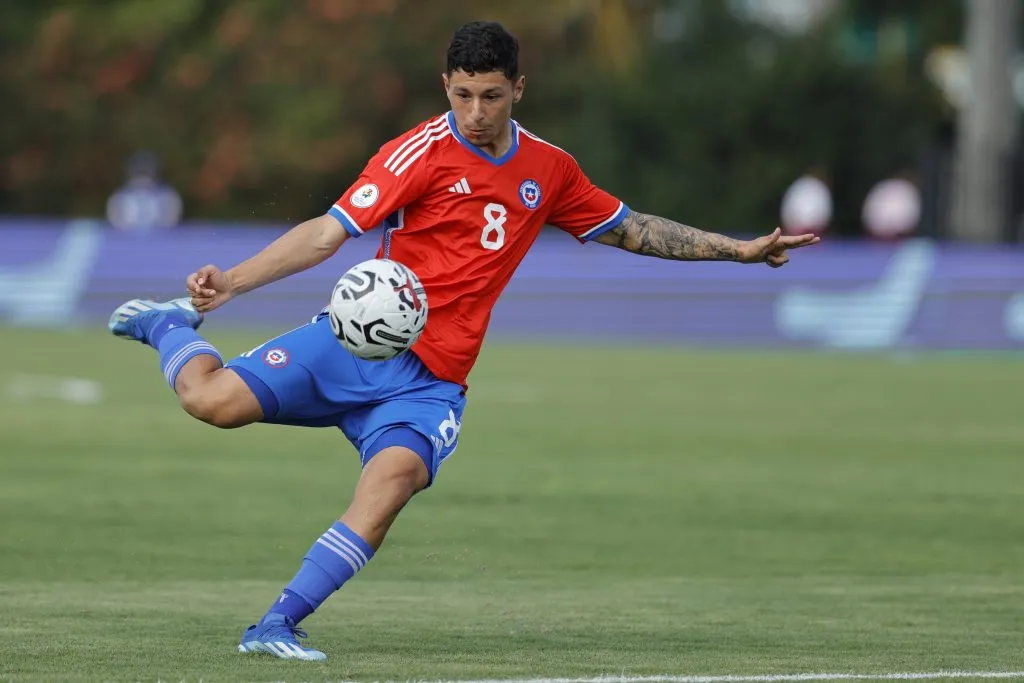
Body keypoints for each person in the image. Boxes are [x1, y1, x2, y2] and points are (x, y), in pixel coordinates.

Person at [108, 21, 819, 661]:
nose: (476, 113)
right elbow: (328, 232)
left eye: (491, 96)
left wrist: (738, 250)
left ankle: (274, 625)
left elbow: (631, 228)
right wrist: (231, 282)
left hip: (430, 381)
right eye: (463, 95)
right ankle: (168, 323)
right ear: (445, 86)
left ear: (518, 88)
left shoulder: (550, 170)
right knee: (210, 402)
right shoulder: (415, 152)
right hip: (357, 342)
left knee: (390, 486)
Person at [106, 151, 183, 232]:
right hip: (129, 242)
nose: (142, 174)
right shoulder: (119, 196)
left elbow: (171, 221)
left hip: (159, 241)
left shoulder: (168, 195)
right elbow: (116, 223)